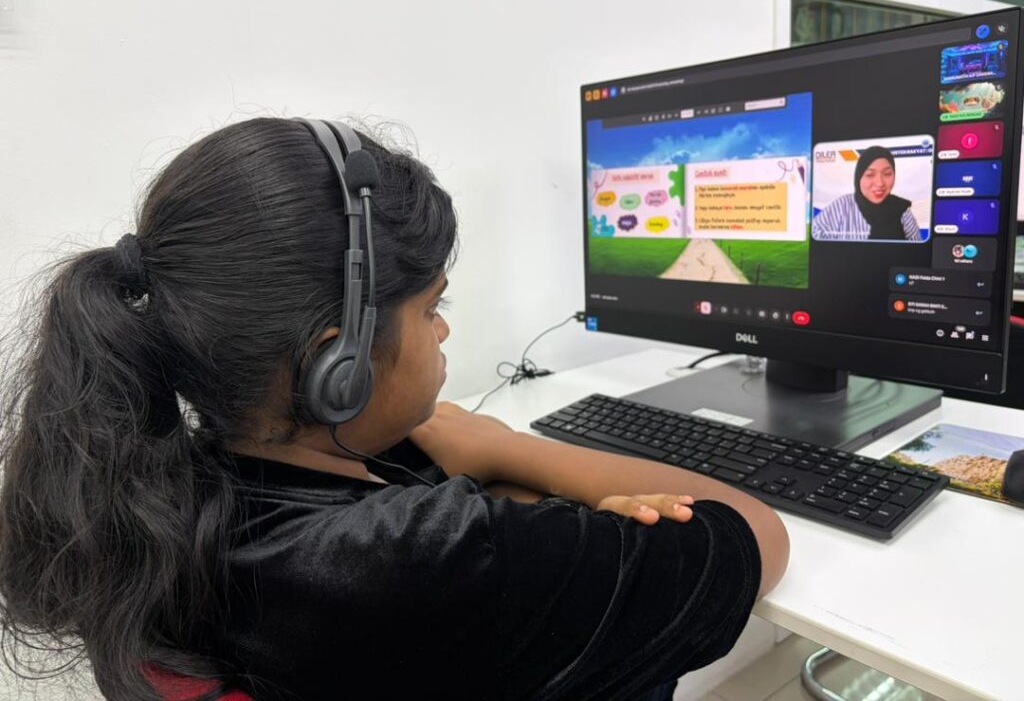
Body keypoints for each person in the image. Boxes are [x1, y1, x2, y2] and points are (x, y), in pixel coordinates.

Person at [0, 117, 789, 701]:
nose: (443, 331)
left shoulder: (159, 492)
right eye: (431, 307)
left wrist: (511, 503)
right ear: (337, 366)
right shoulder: (419, 561)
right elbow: (756, 534)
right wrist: (508, 449)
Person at [812, 145, 922, 242]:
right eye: (870, 175)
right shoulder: (841, 207)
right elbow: (816, 238)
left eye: (887, 173)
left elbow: (918, 250)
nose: (880, 183)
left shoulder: (902, 210)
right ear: (859, 177)